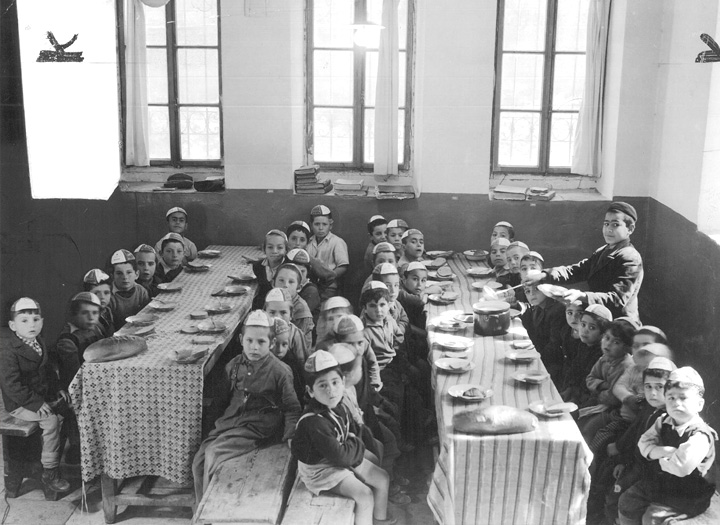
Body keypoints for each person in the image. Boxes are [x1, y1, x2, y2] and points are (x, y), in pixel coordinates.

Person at [192, 310, 301, 504]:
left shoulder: (280, 371)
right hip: (230, 423)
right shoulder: (233, 366)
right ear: (241, 339)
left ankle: (211, 511)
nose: (254, 347)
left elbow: (292, 407)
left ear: (272, 344)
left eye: (261, 342)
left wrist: (290, 435)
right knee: (198, 462)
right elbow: (220, 402)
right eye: (250, 341)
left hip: (257, 427)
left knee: (213, 454)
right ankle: (201, 511)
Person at [292, 350, 396, 525]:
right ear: (310, 391)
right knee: (365, 495)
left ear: (343, 382)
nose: (331, 390)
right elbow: (342, 455)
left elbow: (353, 437)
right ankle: (365, 517)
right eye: (322, 385)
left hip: (338, 453)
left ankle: (380, 519)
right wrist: (353, 442)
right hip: (320, 470)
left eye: (335, 382)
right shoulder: (314, 422)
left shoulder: (339, 406)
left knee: (382, 476)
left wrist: (352, 442)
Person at [618, 367, 718, 524]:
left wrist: (654, 453)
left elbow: (680, 467)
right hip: (663, 483)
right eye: (670, 397)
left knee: (652, 518)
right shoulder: (663, 421)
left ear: (699, 404)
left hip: (689, 493)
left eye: (683, 398)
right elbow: (643, 444)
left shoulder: (700, 435)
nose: (676, 403)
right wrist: (666, 451)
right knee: (627, 500)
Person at [524, 202, 644, 324]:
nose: (609, 229)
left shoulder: (630, 257)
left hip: (619, 326)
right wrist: (544, 275)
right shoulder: (604, 250)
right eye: (606, 224)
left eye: (615, 224)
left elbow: (617, 299)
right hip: (600, 319)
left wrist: (582, 296)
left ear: (630, 229)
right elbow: (576, 271)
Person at [0, 298, 70, 495]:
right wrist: (35, 403)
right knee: (51, 421)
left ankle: (71, 455)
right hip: (20, 403)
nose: (31, 325)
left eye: (36, 319)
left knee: (68, 407)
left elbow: (47, 369)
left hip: (38, 397)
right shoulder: (8, 351)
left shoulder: (38, 341)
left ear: (42, 321)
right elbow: (11, 385)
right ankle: (50, 471)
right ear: (13, 326)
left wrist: (57, 388)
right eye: (24, 320)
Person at [598, 357, 675, 524]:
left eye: (660, 387)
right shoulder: (647, 407)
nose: (653, 393)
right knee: (611, 487)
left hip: (652, 474)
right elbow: (634, 436)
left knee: (621, 497)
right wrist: (623, 461)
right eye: (648, 387)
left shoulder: (671, 418)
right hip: (635, 464)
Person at [53, 291, 104, 464]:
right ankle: (79, 449)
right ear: (73, 315)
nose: (91, 318)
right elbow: (74, 375)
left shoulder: (93, 329)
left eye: (95, 313)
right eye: (85, 313)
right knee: (76, 417)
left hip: (94, 379)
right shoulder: (68, 340)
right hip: (75, 388)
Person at [578, 319, 635, 445]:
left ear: (626, 348)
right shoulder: (604, 359)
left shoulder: (626, 366)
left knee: (588, 430)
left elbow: (613, 398)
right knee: (574, 418)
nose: (607, 344)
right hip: (599, 402)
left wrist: (602, 391)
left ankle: (587, 461)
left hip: (614, 411)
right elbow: (590, 378)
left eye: (616, 342)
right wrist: (604, 385)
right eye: (606, 338)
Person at [562, 304, 610, 406]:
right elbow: (576, 369)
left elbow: (588, 380)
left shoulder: (601, 353)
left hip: (591, 398)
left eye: (592, 328)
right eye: (583, 324)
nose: (584, 330)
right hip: (577, 393)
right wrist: (570, 388)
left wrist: (575, 397)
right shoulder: (583, 345)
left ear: (603, 333)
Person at [520, 282, 567, 384]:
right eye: (528, 291)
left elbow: (554, 344)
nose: (532, 294)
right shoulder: (537, 306)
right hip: (540, 353)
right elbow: (530, 328)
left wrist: (535, 357)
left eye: (536, 289)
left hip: (553, 361)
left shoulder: (557, 310)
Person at [306, 205, 349, 300]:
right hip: (310, 283)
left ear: (331, 225)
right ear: (311, 225)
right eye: (317, 224)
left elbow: (343, 266)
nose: (320, 228)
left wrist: (330, 276)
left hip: (329, 285)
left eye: (324, 224)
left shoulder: (337, 242)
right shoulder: (308, 242)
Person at [263, 288, 309, 364]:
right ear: (264, 312)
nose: (278, 317)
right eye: (272, 312)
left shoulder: (295, 334)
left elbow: (302, 361)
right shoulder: (259, 331)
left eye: (283, 313)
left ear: (291, 314)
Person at [274, 262, 314, 349]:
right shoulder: (272, 298)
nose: (285, 285)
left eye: (291, 282)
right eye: (281, 280)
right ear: (273, 284)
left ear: (299, 288)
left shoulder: (301, 309)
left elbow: (295, 344)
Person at [108, 249, 150, 330]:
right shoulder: (110, 297)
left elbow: (146, 315)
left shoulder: (141, 291)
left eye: (129, 272)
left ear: (136, 274)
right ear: (112, 276)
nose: (125, 277)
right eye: (119, 273)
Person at [251, 229, 288, 310]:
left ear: (285, 250)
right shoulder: (258, 267)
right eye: (270, 247)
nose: (274, 251)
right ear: (264, 249)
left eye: (280, 248)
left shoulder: (288, 268)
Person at [286, 248, 321, 322]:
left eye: (302, 271)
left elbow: (298, 317)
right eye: (294, 271)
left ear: (308, 272)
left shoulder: (311, 290)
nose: (299, 276)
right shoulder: (284, 285)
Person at [83, 268, 114, 337]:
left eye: (106, 293)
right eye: (96, 293)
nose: (102, 297)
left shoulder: (107, 311)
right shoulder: (86, 318)